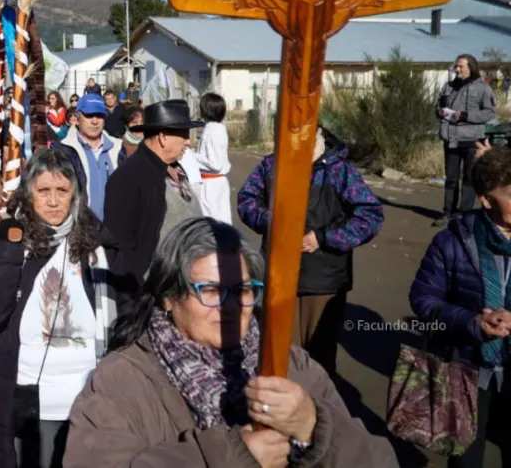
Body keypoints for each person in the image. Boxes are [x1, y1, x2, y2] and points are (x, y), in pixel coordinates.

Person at [63, 217, 399, 468]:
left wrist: (314, 429)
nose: (231, 306)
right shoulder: (122, 381)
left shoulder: (293, 367)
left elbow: (379, 462)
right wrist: (230, 456)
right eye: (209, 290)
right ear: (168, 297)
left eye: (243, 290)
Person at [0, 148, 123, 468]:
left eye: (62, 191)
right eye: (43, 191)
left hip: (88, 405)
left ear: (75, 194)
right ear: (27, 192)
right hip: (26, 404)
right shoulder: (11, 239)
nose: (53, 201)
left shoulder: (96, 245)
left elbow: (121, 319)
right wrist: (10, 242)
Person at [237, 126, 383, 377]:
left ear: (318, 134)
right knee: (277, 358)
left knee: (318, 362)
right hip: (279, 276)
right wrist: (272, 222)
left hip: (324, 282)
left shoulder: (339, 171)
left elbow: (370, 216)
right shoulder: (272, 165)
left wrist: (323, 238)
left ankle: (319, 414)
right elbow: (246, 199)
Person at [409, 146, 511, 468]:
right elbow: (424, 299)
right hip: (467, 372)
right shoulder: (452, 241)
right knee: (465, 461)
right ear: (485, 198)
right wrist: (471, 323)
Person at [104, 99, 203, 289]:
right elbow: (121, 251)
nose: (188, 141)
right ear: (163, 137)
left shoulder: (175, 168)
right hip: (153, 292)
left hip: (186, 283)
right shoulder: (128, 179)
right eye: (184, 134)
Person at [434, 54, 497, 226]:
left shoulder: (483, 88)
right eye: (456, 66)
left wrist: (466, 116)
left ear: (471, 67)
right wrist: (440, 112)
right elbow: (437, 105)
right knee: (451, 179)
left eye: (461, 66)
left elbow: (489, 113)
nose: (457, 69)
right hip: (451, 139)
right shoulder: (449, 86)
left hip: (471, 141)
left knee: (468, 179)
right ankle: (447, 212)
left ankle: (463, 215)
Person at [56, 94, 125, 221]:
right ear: (77, 119)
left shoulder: (119, 148)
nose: (95, 121)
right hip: (80, 230)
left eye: (99, 115)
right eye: (89, 115)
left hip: (115, 231)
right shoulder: (63, 151)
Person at [193, 92, 233, 223]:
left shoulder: (212, 131)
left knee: (210, 224)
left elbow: (215, 164)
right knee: (222, 222)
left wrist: (191, 156)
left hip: (211, 184)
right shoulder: (220, 127)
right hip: (218, 183)